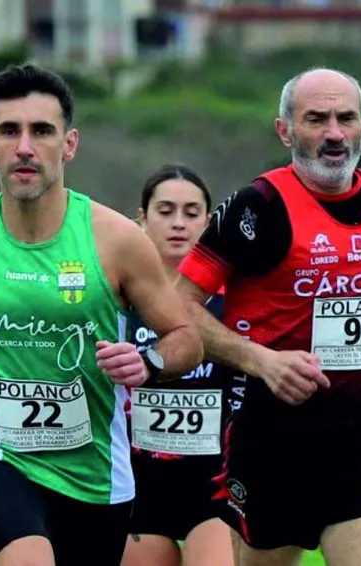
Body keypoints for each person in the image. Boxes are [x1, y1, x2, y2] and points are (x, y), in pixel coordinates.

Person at [0, 63, 203, 566]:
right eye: (9, 131)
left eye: (42, 131)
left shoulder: (116, 241)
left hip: (93, 476)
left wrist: (149, 362)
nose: (25, 147)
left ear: (68, 145)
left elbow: (185, 338)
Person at [173, 67, 361, 566]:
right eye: (316, 119)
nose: (334, 134)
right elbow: (179, 309)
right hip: (273, 439)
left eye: (346, 118)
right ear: (285, 130)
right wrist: (262, 361)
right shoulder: (255, 207)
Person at [121, 164, 237, 566]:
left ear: (207, 222)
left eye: (191, 213)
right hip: (139, 481)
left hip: (214, 479)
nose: (178, 223)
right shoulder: (117, 298)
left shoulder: (234, 297)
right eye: (165, 211)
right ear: (142, 218)